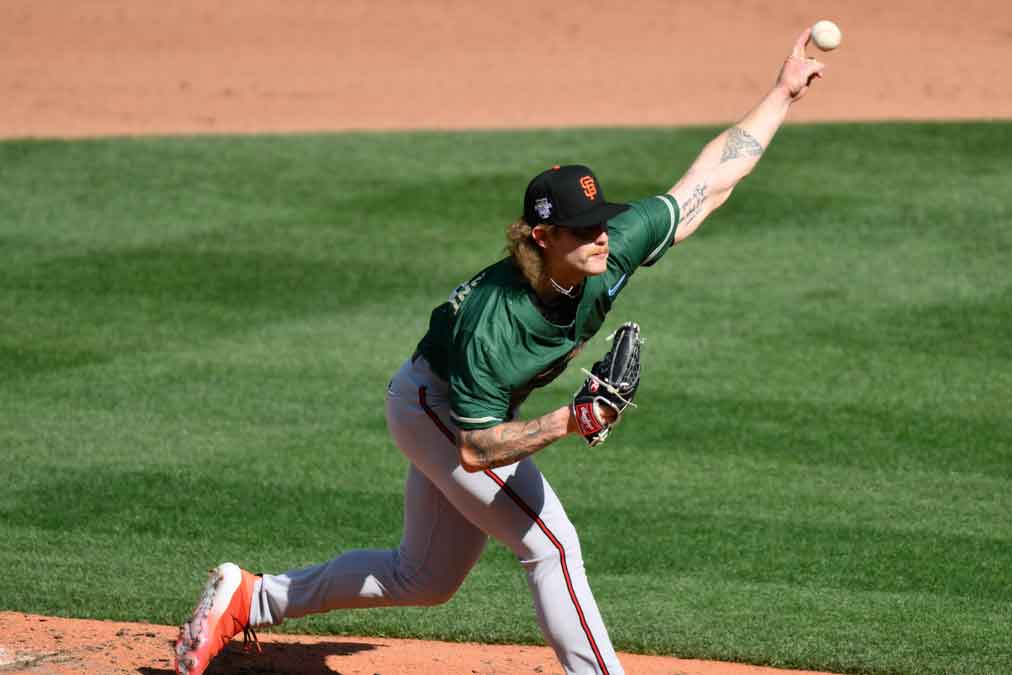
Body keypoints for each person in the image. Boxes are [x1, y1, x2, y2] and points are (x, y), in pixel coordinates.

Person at [173, 28, 826, 675]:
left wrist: (782, 94)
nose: (604, 238)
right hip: (438, 408)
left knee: (422, 576)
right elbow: (476, 448)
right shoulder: (494, 322)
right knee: (552, 545)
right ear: (544, 236)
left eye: (604, 223)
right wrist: (571, 419)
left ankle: (250, 597)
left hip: (467, 406)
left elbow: (706, 183)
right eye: (584, 230)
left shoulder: (606, 248)